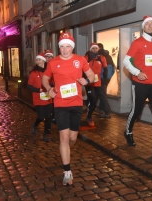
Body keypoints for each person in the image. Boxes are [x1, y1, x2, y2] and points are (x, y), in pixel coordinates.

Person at [42, 32, 95, 185]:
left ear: (72, 47)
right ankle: (67, 172)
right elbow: (45, 78)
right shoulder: (53, 63)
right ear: (59, 48)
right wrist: (48, 88)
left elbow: (92, 75)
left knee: (72, 138)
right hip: (60, 104)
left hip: (76, 104)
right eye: (62, 47)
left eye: (68, 47)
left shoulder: (80, 60)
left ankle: (68, 149)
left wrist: (86, 80)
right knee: (64, 138)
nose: (65, 50)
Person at [123, 15, 152, 152]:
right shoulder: (137, 43)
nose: (150, 26)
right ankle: (128, 132)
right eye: (147, 24)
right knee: (136, 111)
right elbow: (126, 62)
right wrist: (137, 73)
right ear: (143, 26)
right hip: (140, 84)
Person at [27, 52, 52, 142]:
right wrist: (38, 90)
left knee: (48, 117)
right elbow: (29, 86)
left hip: (47, 98)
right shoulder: (33, 73)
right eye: (37, 60)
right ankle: (35, 124)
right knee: (41, 117)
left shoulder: (48, 72)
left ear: (44, 61)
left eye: (40, 60)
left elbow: (52, 82)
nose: (38, 61)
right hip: (37, 98)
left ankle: (46, 134)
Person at [84, 42, 108, 126]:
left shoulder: (102, 58)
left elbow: (105, 69)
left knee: (94, 101)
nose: (94, 50)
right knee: (93, 99)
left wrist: (105, 78)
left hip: (98, 83)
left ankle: (89, 110)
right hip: (89, 83)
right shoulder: (86, 58)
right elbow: (82, 69)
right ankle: (89, 116)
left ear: (98, 49)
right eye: (93, 48)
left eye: (96, 48)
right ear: (90, 49)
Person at [44, 49, 56, 124]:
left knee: (54, 102)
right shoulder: (43, 66)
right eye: (47, 57)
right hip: (46, 87)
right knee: (48, 103)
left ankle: (53, 116)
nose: (48, 58)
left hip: (54, 86)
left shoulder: (54, 65)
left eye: (50, 57)